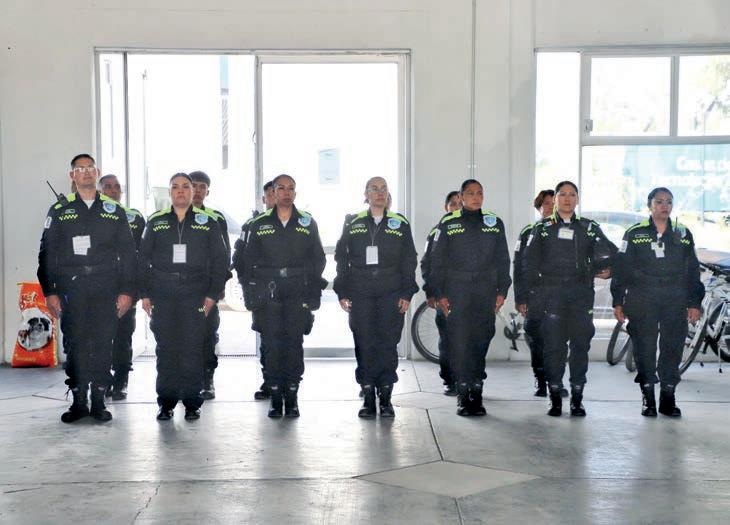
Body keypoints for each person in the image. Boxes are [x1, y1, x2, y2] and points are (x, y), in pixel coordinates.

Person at [38, 154, 136, 422]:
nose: (85, 172)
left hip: (106, 286)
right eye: (80, 169)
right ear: (72, 176)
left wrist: (127, 291)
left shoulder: (114, 211)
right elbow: (47, 253)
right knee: (76, 343)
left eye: (90, 168)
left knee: (104, 342)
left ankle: (99, 400)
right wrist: (50, 291)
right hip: (73, 287)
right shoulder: (60, 210)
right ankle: (79, 400)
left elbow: (129, 254)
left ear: (97, 172)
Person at [138, 173, 229, 421]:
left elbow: (220, 260)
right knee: (166, 350)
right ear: (170, 192)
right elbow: (142, 259)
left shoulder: (208, 221)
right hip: (163, 293)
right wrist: (145, 294)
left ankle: (191, 402)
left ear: (192, 192)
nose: (181, 191)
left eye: (185, 187)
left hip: (195, 294)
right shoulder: (156, 221)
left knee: (192, 349)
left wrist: (212, 295)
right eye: (175, 187)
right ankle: (166, 403)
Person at [523, 180, 617, 417]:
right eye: (562, 194)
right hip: (551, 296)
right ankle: (555, 397)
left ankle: (577, 399)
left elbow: (612, 252)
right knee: (553, 347)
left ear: (577, 199)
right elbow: (528, 264)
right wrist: (531, 297)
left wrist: (608, 270)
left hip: (580, 295)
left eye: (572, 194)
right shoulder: (542, 228)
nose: (567, 199)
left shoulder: (589, 227)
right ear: (554, 199)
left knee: (580, 347)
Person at [611, 187, 704, 417]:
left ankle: (668, 397)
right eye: (659, 201)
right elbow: (621, 269)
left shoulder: (682, 233)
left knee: (672, 347)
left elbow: (692, 269)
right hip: (642, 296)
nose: (664, 206)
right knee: (645, 347)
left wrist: (694, 302)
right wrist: (618, 301)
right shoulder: (635, 233)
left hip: (675, 297)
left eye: (669, 202)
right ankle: (648, 398)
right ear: (649, 205)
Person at [241, 174, 326, 418]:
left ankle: (292, 395)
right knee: (272, 345)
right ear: (273, 193)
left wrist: (312, 291)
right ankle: (276, 397)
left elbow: (318, 259)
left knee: (293, 344)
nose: (286, 192)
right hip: (268, 292)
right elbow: (247, 261)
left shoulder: (307, 223)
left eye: (291, 188)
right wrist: (252, 291)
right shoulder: (259, 224)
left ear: (295, 193)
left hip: (297, 291)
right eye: (281, 188)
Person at [335, 177, 419, 418]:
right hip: (360, 292)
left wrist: (406, 292)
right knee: (364, 343)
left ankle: (386, 396)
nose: (380, 193)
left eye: (383, 189)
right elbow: (342, 258)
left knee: (387, 344)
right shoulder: (353, 222)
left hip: (390, 292)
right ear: (366, 194)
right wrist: (342, 291)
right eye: (374, 189)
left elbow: (409, 260)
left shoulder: (399, 223)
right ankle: (368, 396)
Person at [429, 179, 512, 416]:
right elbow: (436, 261)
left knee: (480, 341)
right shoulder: (448, 223)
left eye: (480, 193)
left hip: (485, 291)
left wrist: (502, 291)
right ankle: (464, 395)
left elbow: (503, 259)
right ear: (461, 197)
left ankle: (477, 391)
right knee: (460, 342)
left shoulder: (494, 223)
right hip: (457, 291)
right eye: (471, 193)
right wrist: (438, 293)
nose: (476, 197)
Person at [98, 174, 145, 400]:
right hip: (99, 287)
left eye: (117, 187)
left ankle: (121, 381)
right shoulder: (92, 215)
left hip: (126, 287)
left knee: (123, 337)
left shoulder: (134, 217)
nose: (113, 190)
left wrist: (138, 289)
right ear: (100, 191)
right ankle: (102, 380)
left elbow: (144, 254)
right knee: (101, 337)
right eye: (108, 187)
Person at [513, 189, 565, 398]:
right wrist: (520, 298)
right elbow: (519, 267)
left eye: (554, 203)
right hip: (536, 295)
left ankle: (556, 381)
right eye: (547, 204)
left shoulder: (567, 230)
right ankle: (540, 379)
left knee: (559, 340)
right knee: (537, 338)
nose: (551, 207)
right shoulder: (529, 232)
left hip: (561, 295)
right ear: (539, 207)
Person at [189, 170, 232, 400]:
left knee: (207, 334)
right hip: (178, 289)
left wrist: (220, 283)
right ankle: (185, 380)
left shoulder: (215, 218)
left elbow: (224, 254)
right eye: (193, 185)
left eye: (202, 187)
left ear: (208, 191)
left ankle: (207, 380)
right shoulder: (172, 216)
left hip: (207, 288)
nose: (197, 190)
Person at [232, 180, 276, 400]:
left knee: (290, 340)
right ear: (264, 199)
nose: (275, 197)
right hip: (261, 291)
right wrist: (247, 283)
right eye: (271, 194)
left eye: (278, 192)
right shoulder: (252, 225)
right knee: (267, 340)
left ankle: (288, 386)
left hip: (291, 291)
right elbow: (239, 257)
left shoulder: (299, 222)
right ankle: (269, 382)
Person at [420, 190, 461, 396]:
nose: (457, 207)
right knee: (447, 339)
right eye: (453, 204)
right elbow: (426, 263)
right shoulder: (437, 231)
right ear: (446, 208)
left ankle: (469, 380)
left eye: (460, 203)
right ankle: (450, 380)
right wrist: (431, 292)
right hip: (445, 293)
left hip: (471, 294)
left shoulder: (477, 230)